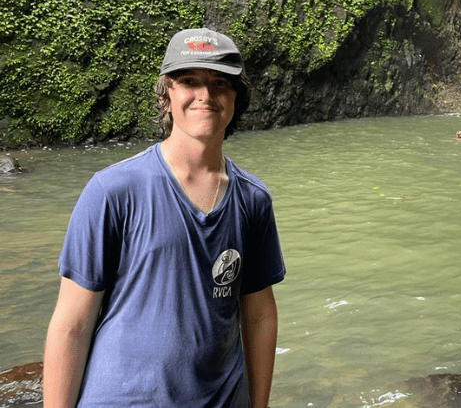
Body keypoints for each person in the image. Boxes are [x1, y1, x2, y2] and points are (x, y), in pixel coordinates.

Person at [43, 28, 286, 408]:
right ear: (166, 94)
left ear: (237, 97)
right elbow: (72, 325)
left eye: (220, 83)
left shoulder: (252, 199)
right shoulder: (112, 191)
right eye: (189, 81)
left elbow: (258, 314)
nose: (205, 95)